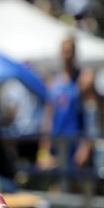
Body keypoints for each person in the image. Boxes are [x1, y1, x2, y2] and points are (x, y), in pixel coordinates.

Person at [36, 34, 91, 170]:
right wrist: (44, 149)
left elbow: (91, 116)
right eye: (65, 51)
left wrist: (86, 146)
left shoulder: (83, 79)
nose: (67, 55)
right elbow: (48, 116)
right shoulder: (54, 81)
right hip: (57, 142)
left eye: (70, 51)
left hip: (76, 141)